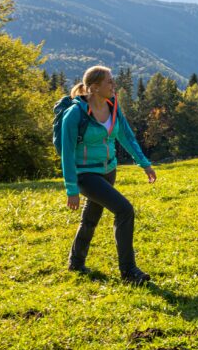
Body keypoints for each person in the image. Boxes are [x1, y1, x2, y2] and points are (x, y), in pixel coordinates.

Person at [60, 65, 157, 284]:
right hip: (86, 174)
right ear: (93, 87)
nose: (114, 85)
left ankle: (76, 262)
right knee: (125, 210)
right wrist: (71, 188)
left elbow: (126, 137)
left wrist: (144, 164)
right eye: (109, 82)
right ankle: (129, 272)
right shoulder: (75, 114)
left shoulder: (113, 107)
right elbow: (66, 153)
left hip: (108, 171)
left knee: (91, 218)